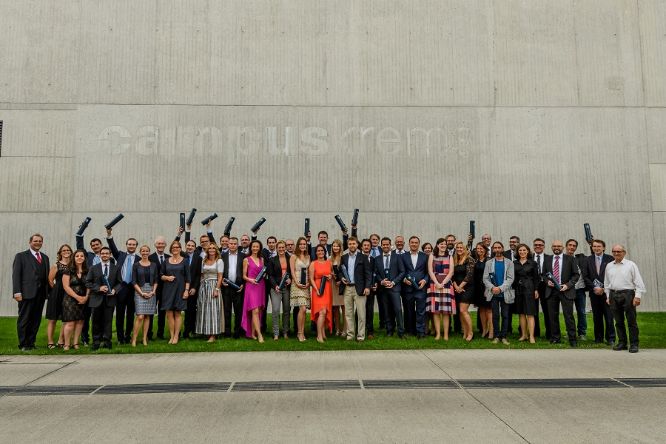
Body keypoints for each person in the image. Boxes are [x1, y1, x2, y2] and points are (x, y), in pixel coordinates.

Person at [604, 244, 646, 353]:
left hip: (628, 294)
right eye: (614, 251)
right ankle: (622, 343)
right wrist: (608, 296)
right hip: (613, 295)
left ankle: (634, 344)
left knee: (631, 321)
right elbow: (607, 283)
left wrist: (637, 296)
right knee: (618, 321)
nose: (616, 253)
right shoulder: (609, 265)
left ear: (624, 252)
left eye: (619, 251)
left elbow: (638, 282)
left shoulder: (631, 265)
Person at [13, 234, 50, 351]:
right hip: (26, 293)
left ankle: (31, 343)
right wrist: (17, 292)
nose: (38, 243)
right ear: (30, 242)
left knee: (36, 320)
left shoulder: (45, 257)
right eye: (35, 241)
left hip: (40, 295)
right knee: (24, 319)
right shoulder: (21, 256)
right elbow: (16, 275)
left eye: (40, 241)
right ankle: (23, 344)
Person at [542, 240, 580, 347]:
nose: (556, 247)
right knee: (552, 316)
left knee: (568, 316)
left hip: (566, 290)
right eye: (554, 246)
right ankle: (555, 338)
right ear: (551, 247)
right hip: (551, 291)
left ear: (563, 247)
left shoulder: (570, 259)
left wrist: (568, 285)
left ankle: (572, 339)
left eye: (559, 246)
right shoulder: (547, 259)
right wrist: (547, 281)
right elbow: (544, 275)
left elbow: (576, 275)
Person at [106, 229, 140, 345]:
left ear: (136, 246)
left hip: (133, 288)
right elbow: (112, 245)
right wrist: (109, 234)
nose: (131, 246)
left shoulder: (140, 259)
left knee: (130, 314)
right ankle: (120, 338)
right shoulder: (119, 255)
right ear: (126, 245)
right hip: (121, 288)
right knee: (120, 314)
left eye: (133, 244)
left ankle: (128, 336)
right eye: (129, 244)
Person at [85, 246, 122, 350]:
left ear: (110, 255)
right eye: (103, 253)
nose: (105, 255)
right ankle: (96, 341)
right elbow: (88, 282)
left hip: (110, 299)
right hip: (96, 299)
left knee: (108, 321)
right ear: (100, 255)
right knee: (95, 321)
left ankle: (107, 341)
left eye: (107, 253)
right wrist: (99, 288)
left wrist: (114, 290)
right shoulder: (93, 268)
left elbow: (120, 283)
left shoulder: (116, 268)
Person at [582, 239, 615, 345]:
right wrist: (594, 287)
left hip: (607, 293)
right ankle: (598, 338)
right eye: (594, 246)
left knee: (609, 316)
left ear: (604, 248)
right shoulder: (587, 259)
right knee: (597, 316)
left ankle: (611, 338)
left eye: (599, 246)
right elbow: (585, 276)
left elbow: (613, 276)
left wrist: (604, 288)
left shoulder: (610, 259)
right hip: (594, 293)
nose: (596, 248)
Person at [483, 241, 515, 345]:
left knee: (505, 315)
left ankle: (504, 336)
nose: (497, 249)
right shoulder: (489, 263)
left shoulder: (509, 262)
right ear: (493, 250)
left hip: (505, 293)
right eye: (495, 248)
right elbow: (485, 278)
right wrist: (492, 288)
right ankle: (497, 336)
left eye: (499, 247)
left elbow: (510, 279)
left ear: (502, 249)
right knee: (495, 315)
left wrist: (500, 288)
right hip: (493, 293)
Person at [160, 241, 191, 345]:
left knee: (177, 313)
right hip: (168, 290)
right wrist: (167, 277)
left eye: (177, 247)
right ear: (171, 249)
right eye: (173, 247)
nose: (175, 249)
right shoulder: (166, 261)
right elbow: (161, 275)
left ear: (180, 248)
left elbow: (188, 278)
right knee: (169, 313)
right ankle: (172, 335)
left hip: (180, 290)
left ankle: (177, 336)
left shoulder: (185, 261)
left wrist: (186, 291)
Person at [373, 237, 405, 338]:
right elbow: (376, 273)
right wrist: (381, 281)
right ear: (381, 246)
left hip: (394, 288)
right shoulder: (377, 259)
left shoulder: (397, 257)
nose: (385, 246)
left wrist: (394, 282)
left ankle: (401, 332)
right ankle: (389, 330)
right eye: (384, 245)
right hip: (383, 289)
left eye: (387, 244)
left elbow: (402, 272)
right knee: (386, 311)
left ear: (390, 246)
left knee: (398, 310)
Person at [341, 237, 372, 341]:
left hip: (360, 288)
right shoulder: (344, 257)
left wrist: (367, 287)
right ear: (348, 245)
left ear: (357, 245)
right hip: (347, 288)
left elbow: (368, 274)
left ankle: (360, 336)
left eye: (354, 244)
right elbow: (340, 270)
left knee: (361, 314)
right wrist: (342, 278)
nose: (352, 246)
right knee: (348, 313)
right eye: (350, 244)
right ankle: (350, 335)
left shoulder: (363, 257)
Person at [401, 236, 429, 338]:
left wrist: (425, 280)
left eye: (416, 242)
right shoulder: (403, 256)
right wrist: (404, 279)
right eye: (412, 242)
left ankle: (420, 332)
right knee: (409, 311)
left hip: (421, 288)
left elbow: (428, 272)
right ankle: (410, 331)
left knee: (421, 311)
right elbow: (401, 271)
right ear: (409, 244)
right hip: (407, 289)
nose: (414, 244)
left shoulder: (424, 256)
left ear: (418, 244)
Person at [61, 249, 89, 350]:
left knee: (80, 321)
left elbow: (89, 285)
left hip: (84, 299)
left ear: (85, 258)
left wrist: (86, 297)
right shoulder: (68, 270)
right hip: (70, 300)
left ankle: (76, 343)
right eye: (77, 256)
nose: (79, 258)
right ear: (74, 257)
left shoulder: (87, 270)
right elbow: (66, 286)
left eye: (82, 256)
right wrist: (77, 297)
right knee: (70, 322)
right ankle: (67, 344)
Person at [427, 238, 454, 340]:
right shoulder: (432, 256)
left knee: (446, 312)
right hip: (434, 285)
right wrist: (437, 283)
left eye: (444, 244)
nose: (443, 245)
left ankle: (446, 334)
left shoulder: (450, 256)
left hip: (446, 285)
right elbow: (430, 271)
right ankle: (438, 334)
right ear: (437, 245)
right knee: (436, 311)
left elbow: (451, 272)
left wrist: (442, 283)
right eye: (441, 244)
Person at [131, 245, 158, 347]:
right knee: (140, 316)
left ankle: (144, 339)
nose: (145, 253)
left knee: (147, 316)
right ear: (140, 252)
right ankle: (134, 339)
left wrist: (153, 291)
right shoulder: (136, 265)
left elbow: (156, 280)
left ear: (149, 252)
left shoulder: (154, 265)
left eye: (147, 251)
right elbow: (133, 281)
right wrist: (141, 293)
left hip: (151, 291)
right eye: (143, 251)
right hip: (139, 291)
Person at [196, 244, 224, 342]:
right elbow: (202, 275)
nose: (211, 250)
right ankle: (205, 331)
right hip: (204, 286)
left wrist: (216, 289)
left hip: (213, 285)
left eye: (213, 248)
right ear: (207, 250)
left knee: (213, 310)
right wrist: (200, 287)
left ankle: (213, 334)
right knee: (203, 308)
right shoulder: (203, 261)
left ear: (216, 250)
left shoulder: (219, 261)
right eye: (210, 248)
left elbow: (220, 276)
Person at [45, 244, 71, 349]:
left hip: (68, 293)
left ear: (71, 252)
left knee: (66, 319)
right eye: (63, 250)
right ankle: (50, 342)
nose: (66, 251)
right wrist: (56, 290)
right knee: (53, 319)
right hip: (56, 294)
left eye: (68, 250)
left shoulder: (72, 265)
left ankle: (61, 341)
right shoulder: (56, 265)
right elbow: (50, 280)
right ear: (60, 253)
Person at [513, 244, 540, 343]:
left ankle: (532, 336)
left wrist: (536, 290)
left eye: (524, 250)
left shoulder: (533, 263)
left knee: (530, 313)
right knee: (521, 313)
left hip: (529, 289)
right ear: (517, 252)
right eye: (520, 250)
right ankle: (524, 335)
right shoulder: (514, 263)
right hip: (518, 290)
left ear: (528, 251)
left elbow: (536, 278)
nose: (522, 252)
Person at [242, 240, 266, 343]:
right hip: (251, 286)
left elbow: (263, 272)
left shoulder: (262, 259)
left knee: (257, 311)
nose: (255, 248)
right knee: (254, 310)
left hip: (260, 286)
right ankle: (259, 334)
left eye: (257, 247)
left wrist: (264, 275)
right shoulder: (246, 260)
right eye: (254, 246)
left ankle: (252, 333)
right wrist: (250, 280)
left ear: (259, 248)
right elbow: (244, 276)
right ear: (251, 247)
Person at [221, 237, 245, 338]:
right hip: (226, 286)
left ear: (237, 244)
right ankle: (227, 332)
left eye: (235, 244)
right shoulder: (222, 256)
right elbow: (220, 270)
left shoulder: (243, 256)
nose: (233, 245)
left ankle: (237, 332)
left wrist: (243, 283)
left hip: (238, 287)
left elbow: (246, 271)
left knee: (238, 310)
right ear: (228, 244)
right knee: (227, 310)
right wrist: (222, 279)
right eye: (231, 243)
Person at [268, 240, 291, 340]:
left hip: (287, 288)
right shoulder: (272, 260)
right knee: (276, 310)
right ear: (277, 249)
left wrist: (291, 279)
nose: (281, 249)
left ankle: (285, 331)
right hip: (276, 289)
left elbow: (293, 272)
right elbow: (270, 276)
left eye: (283, 247)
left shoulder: (290, 259)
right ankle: (276, 333)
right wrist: (275, 286)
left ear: (285, 248)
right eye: (279, 248)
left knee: (286, 310)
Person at [309, 244, 333, 343]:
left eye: (322, 251)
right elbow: (311, 278)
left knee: (325, 312)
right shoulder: (313, 263)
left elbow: (331, 274)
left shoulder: (329, 263)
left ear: (324, 252)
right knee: (321, 312)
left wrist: (330, 276)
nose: (320, 252)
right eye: (318, 251)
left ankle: (323, 333)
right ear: (316, 252)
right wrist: (316, 289)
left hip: (327, 288)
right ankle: (319, 336)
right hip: (318, 290)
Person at [452, 241, 476, 341]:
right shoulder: (455, 259)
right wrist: (456, 287)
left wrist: (460, 286)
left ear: (465, 249)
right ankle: (465, 332)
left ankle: (470, 332)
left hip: (467, 288)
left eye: (461, 248)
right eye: (457, 248)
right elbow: (451, 275)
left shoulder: (469, 259)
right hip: (457, 288)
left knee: (463, 310)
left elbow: (469, 275)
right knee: (461, 312)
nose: (459, 249)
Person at [566, 239, 588, 341]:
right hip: (567, 290)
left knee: (581, 312)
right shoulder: (562, 259)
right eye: (570, 245)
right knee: (568, 313)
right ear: (566, 246)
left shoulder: (581, 258)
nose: (571, 247)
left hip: (580, 289)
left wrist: (591, 243)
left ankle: (582, 333)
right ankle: (570, 332)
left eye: (574, 246)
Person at [148, 236, 170, 340]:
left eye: (162, 244)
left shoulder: (169, 257)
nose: (160, 245)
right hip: (153, 288)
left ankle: (160, 333)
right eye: (158, 244)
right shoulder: (149, 257)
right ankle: (149, 333)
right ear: (155, 245)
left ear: (165, 245)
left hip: (166, 289)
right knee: (151, 311)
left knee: (162, 312)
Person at [290, 237, 311, 342]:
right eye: (301, 244)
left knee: (304, 309)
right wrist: (296, 282)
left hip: (306, 284)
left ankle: (302, 331)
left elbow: (309, 271)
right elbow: (292, 271)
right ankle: (299, 333)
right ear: (298, 245)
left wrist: (309, 283)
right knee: (302, 308)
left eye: (304, 244)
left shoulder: (308, 256)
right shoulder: (294, 256)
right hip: (297, 284)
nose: (303, 246)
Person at [183, 240, 203, 339]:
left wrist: (194, 287)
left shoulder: (198, 258)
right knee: (181, 310)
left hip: (192, 289)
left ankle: (191, 330)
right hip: (181, 288)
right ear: (185, 246)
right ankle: (180, 331)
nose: (190, 247)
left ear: (195, 248)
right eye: (188, 245)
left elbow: (199, 275)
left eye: (192, 246)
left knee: (191, 310)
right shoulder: (181, 256)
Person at [472, 242, 492, 338]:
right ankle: (484, 330)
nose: (479, 250)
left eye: (481, 248)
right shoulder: (475, 260)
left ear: (485, 250)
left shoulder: (489, 260)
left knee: (489, 310)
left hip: (487, 288)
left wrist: (488, 288)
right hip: (477, 288)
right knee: (481, 310)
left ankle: (491, 331)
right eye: (477, 248)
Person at [532, 238, 549, 338]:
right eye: (536, 244)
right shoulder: (529, 257)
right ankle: (535, 332)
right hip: (533, 286)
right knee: (533, 310)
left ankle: (549, 333)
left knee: (547, 310)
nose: (538, 246)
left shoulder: (549, 258)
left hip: (545, 286)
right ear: (533, 246)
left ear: (544, 246)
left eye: (540, 245)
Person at [330, 239, 346, 336]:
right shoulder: (329, 259)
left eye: (337, 246)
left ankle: (345, 329)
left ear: (340, 247)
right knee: (335, 308)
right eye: (334, 246)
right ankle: (337, 329)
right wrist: (331, 274)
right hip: (333, 285)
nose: (335, 248)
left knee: (344, 308)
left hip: (342, 285)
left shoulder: (344, 258)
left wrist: (341, 279)